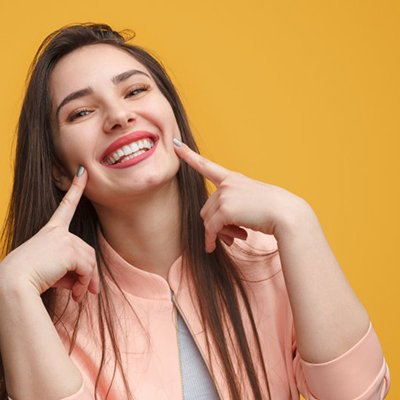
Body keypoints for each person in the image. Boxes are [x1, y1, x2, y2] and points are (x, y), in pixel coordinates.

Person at [0, 23, 390, 400]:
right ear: (58, 170)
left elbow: (357, 395)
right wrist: (11, 288)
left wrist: (299, 221)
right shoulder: (44, 313)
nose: (119, 116)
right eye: (81, 112)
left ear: (172, 114)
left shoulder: (270, 256)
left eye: (135, 90)